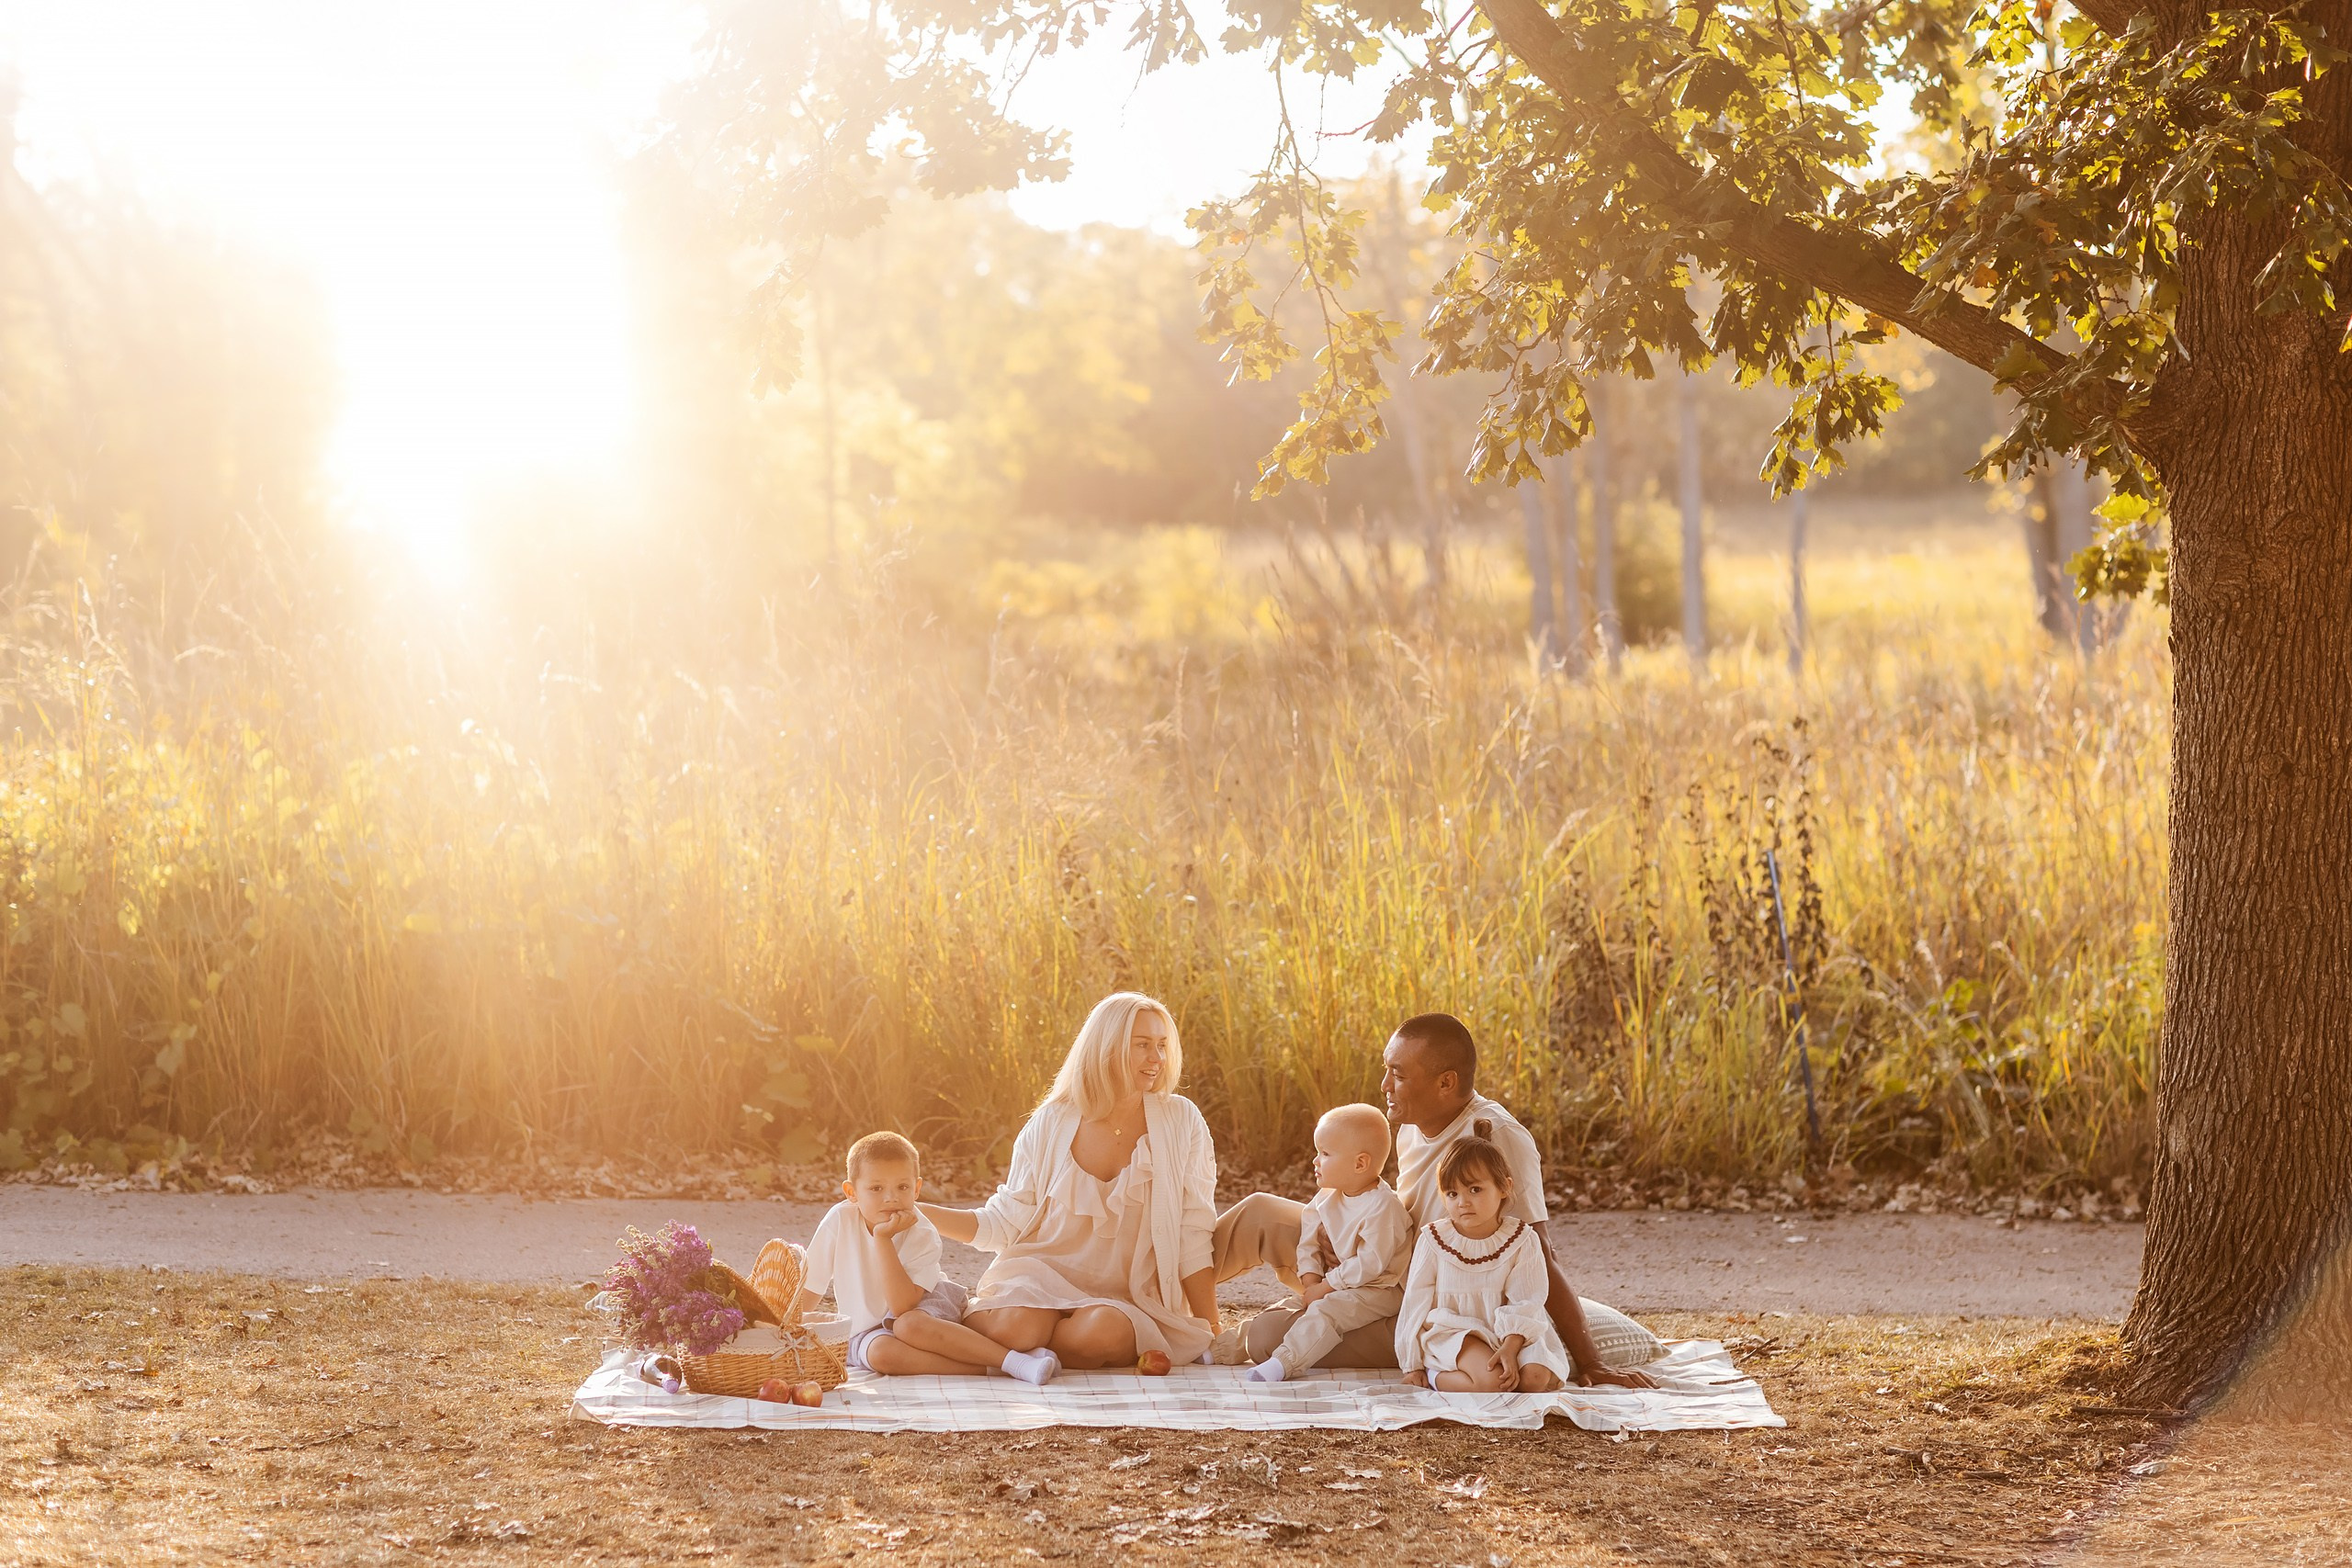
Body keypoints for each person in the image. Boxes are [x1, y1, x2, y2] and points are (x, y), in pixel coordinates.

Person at [1214, 1011, 1657, 1387]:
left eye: (1399, 1075)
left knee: (1269, 1336)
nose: (1384, 1084)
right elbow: (1393, 1212)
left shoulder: (1496, 1135)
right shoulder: (1410, 1125)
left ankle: (1286, 1323)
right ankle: (1161, 1311)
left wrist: (1593, 1362)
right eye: (1387, 1069)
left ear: (1446, 1083)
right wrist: (1347, 1234)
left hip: (1419, 1298)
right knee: (1259, 1213)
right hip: (1377, 1258)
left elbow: (1538, 1250)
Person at [922, 992, 1219, 1369]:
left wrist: (1211, 1324)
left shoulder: (1181, 1120)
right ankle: (1016, 1345)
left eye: (1162, 1045)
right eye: (1142, 1045)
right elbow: (1004, 1223)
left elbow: (1193, 1231)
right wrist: (917, 1211)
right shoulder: (1051, 1121)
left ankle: (1015, 1356)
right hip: (1038, 1275)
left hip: (1123, 1298)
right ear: (1107, 1047)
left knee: (1101, 1335)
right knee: (1018, 1327)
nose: (1157, 1059)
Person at [799, 1131, 1061, 1383]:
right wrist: (781, 1330)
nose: (891, 1198)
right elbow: (811, 1288)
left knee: (907, 1326)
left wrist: (883, 1239)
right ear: (851, 1192)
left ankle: (1012, 1361)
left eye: (902, 1187)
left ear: (916, 1189)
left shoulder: (921, 1230)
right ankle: (994, 1368)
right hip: (866, 1329)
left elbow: (903, 1307)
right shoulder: (838, 1220)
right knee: (882, 1355)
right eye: (876, 1188)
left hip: (924, 1307)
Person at [1238, 1103, 1412, 1382]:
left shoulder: (1383, 1208)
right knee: (1291, 1307)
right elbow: (1308, 1242)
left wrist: (1326, 1288)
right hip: (1338, 1282)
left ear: (1360, 1163)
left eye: (1325, 1154)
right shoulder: (1328, 1195)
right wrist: (1311, 1283)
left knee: (1326, 1310)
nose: (1315, 1161)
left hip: (1381, 1289)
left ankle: (1285, 1363)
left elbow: (1370, 1265)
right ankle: (1221, 1349)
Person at [1396, 1129, 1569, 1393]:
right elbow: (1415, 1303)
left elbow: (1526, 1300)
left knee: (1534, 1379)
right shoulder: (1434, 1239)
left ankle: (1508, 1363)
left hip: (1511, 1332)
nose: (1463, 1202)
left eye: (1475, 1189)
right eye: (1452, 1193)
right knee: (1491, 1381)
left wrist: (1511, 1348)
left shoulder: (1522, 1238)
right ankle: (1435, 1376)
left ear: (1504, 1188)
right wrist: (1412, 1364)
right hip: (1456, 1332)